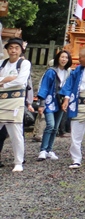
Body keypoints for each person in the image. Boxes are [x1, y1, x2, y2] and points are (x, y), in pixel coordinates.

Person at [0, 37, 32, 172]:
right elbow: (15, 79)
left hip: (15, 101)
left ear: (21, 50)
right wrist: (8, 79)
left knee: (16, 133)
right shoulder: (2, 63)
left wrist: (3, 82)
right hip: (1, 100)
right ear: (7, 49)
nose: (13, 51)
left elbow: (21, 81)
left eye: (16, 48)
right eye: (11, 48)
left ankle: (18, 161)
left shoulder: (24, 64)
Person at [36, 49, 72, 161]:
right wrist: (41, 104)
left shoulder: (68, 72)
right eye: (62, 57)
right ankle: (43, 149)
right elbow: (44, 87)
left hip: (61, 102)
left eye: (66, 57)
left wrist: (67, 100)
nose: (64, 59)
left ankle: (49, 150)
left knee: (55, 127)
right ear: (57, 58)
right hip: (49, 101)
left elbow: (69, 88)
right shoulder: (51, 72)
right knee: (50, 125)